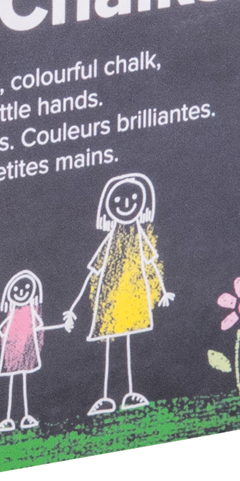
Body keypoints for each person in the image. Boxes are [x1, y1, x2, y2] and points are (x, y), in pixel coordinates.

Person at [59, 173, 173, 414]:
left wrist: (163, 291)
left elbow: (151, 263)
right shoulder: (111, 239)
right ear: (108, 206)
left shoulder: (139, 236)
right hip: (111, 298)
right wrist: (74, 305)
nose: (126, 204)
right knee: (111, 346)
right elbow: (94, 270)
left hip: (132, 296)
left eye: (133, 199)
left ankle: (130, 393)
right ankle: (106, 397)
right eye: (119, 200)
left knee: (129, 343)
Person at [0, 269, 56, 433]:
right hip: (11, 353)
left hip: (25, 352)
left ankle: (25, 415)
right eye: (16, 290)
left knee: (23, 382)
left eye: (26, 289)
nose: (21, 293)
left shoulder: (31, 311)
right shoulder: (11, 314)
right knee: (12, 383)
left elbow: (41, 325)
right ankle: (8, 418)